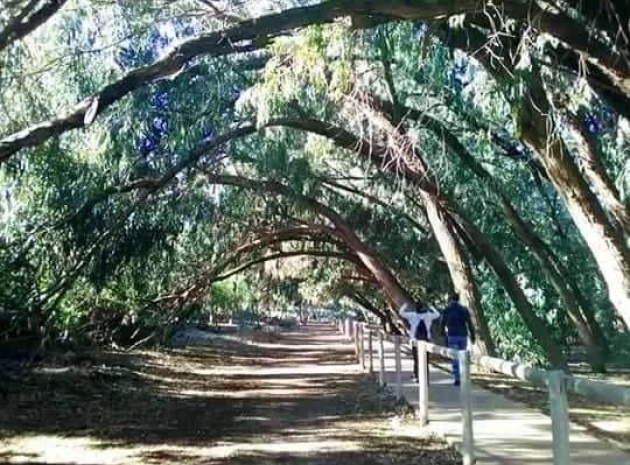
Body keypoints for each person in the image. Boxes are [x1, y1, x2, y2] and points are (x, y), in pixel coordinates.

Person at [440, 292, 476, 386]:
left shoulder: (447, 310)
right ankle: (464, 375)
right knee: (462, 356)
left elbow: (442, 323)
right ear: (458, 299)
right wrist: (472, 335)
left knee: (455, 357)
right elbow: (469, 323)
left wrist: (442, 334)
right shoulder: (464, 309)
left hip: (452, 335)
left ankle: (457, 378)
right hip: (463, 335)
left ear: (450, 299)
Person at [399, 301, 440, 382]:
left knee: (416, 359)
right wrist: (431, 307)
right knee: (426, 360)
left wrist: (405, 305)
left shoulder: (412, 315)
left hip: (415, 341)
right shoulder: (429, 315)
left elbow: (401, 313)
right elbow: (438, 314)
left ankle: (417, 376)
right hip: (426, 341)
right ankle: (426, 377)